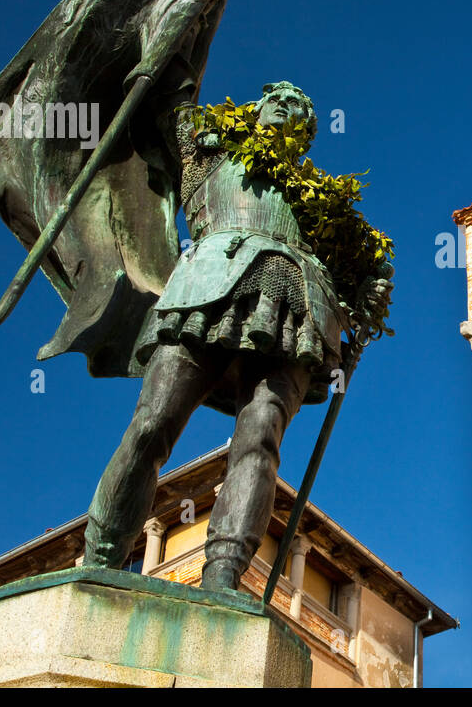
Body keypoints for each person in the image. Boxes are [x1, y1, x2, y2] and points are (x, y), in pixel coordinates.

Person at [82, 80, 351, 591]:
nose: (287, 108)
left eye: (300, 107)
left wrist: (357, 299)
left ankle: (223, 578)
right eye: (280, 98)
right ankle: (99, 559)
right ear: (258, 104)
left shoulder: (322, 205)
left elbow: (355, 276)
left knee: (260, 438)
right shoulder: (208, 152)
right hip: (204, 290)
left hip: (297, 304)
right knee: (151, 424)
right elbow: (168, 100)